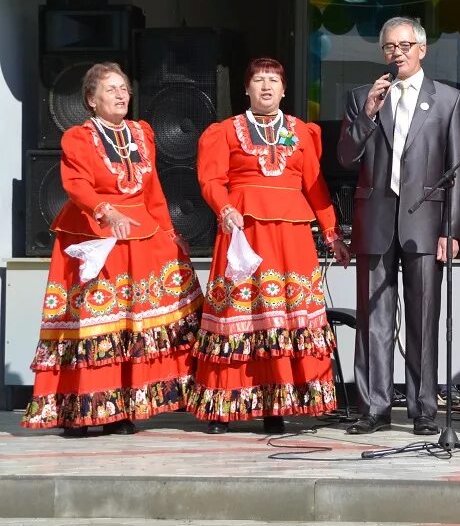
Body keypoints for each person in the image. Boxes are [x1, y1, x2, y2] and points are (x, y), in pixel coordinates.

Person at [22, 62, 202, 436]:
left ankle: (123, 408)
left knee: (133, 321)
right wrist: (106, 211)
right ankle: (80, 410)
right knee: (94, 322)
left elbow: (153, 192)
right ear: (91, 99)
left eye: (124, 88)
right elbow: (76, 185)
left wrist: (171, 233)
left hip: (139, 234)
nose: (121, 95)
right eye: (111, 89)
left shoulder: (142, 133)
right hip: (94, 235)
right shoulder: (78, 137)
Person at [188, 58, 351, 434]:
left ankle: (275, 406)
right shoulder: (225, 131)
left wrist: (332, 234)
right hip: (244, 229)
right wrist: (225, 208)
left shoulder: (302, 132)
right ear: (246, 88)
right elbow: (211, 179)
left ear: (284, 89)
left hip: (292, 235)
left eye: (273, 81)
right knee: (239, 311)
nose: (266, 87)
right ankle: (222, 407)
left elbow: (314, 186)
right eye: (259, 80)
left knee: (284, 314)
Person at [337, 16, 460, 436]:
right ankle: (373, 407)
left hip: (426, 221)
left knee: (423, 317)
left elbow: (457, 170)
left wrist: (452, 229)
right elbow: (345, 156)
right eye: (390, 47)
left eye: (405, 45)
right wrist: (368, 115)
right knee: (374, 316)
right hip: (375, 218)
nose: (398, 54)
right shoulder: (363, 97)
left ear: (422, 50)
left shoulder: (447, 99)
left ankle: (424, 407)